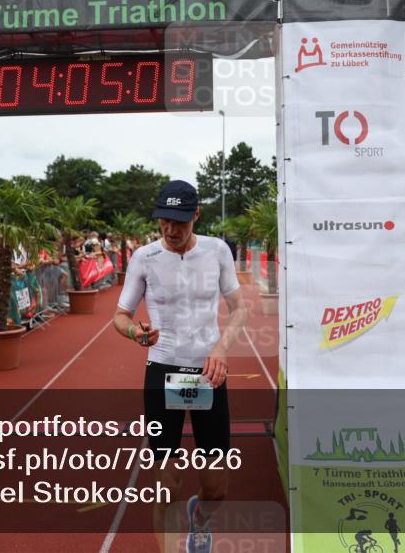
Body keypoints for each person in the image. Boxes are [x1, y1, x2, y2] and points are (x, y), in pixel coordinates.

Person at [114, 180, 247, 553]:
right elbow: (121, 316)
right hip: (162, 371)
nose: (171, 230)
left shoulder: (217, 251)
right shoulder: (144, 258)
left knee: (216, 487)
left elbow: (239, 307)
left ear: (196, 215)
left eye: (180, 221)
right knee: (166, 484)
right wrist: (135, 333)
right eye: (164, 221)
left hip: (209, 372)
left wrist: (221, 348)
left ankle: (200, 518)